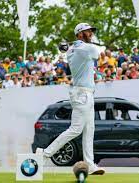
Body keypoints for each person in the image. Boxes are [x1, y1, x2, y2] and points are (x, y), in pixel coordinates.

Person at [36, 23, 105, 175]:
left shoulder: (77, 48)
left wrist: (84, 41)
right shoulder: (82, 48)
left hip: (86, 93)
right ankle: (45, 154)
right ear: (80, 34)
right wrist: (88, 42)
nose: (91, 33)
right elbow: (96, 53)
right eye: (87, 31)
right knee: (76, 129)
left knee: (89, 130)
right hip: (82, 94)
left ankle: (90, 164)